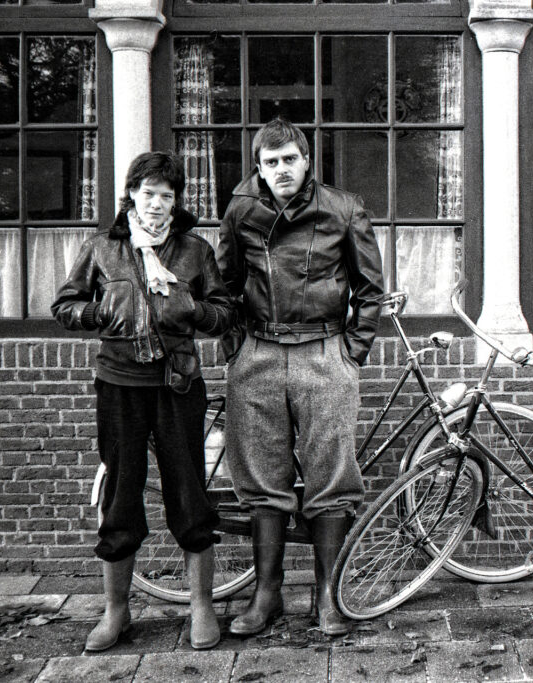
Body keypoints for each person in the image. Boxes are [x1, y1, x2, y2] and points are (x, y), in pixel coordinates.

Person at [52, 151, 234, 652]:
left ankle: (201, 605)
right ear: (131, 193)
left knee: (189, 492)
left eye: (167, 195)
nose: (156, 203)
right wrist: (97, 311)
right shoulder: (101, 249)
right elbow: (64, 306)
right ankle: (116, 611)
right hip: (118, 386)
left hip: (178, 386)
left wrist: (192, 307)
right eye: (148, 192)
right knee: (121, 493)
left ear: (177, 201)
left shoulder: (195, 251)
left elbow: (223, 314)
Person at [216, 117, 384, 637]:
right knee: (262, 479)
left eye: (290, 159)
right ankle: (266, 596)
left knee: (331, 477)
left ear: (306, 160)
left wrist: (349, 352)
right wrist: (236, 350)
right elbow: (223, 286)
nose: (281, 169)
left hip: (324, 351)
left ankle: (327, 595)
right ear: (259, 169)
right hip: (259, 354)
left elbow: (371, 290)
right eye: (271, 163)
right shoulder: (241, 210)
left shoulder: (343, 208)